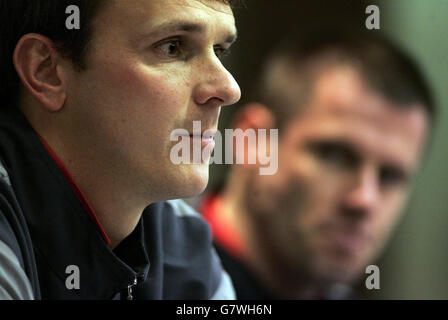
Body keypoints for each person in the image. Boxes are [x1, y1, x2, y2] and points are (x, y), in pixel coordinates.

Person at [0, 0, 241, 299]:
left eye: (218, 51)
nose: (229, 89)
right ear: (46, 70)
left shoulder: (177, 236)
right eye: (172, 47)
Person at [200, 32, 435, 299]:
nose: (364, 200)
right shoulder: (158, 280)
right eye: (335, 156)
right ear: (253, 142)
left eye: (390, 176)